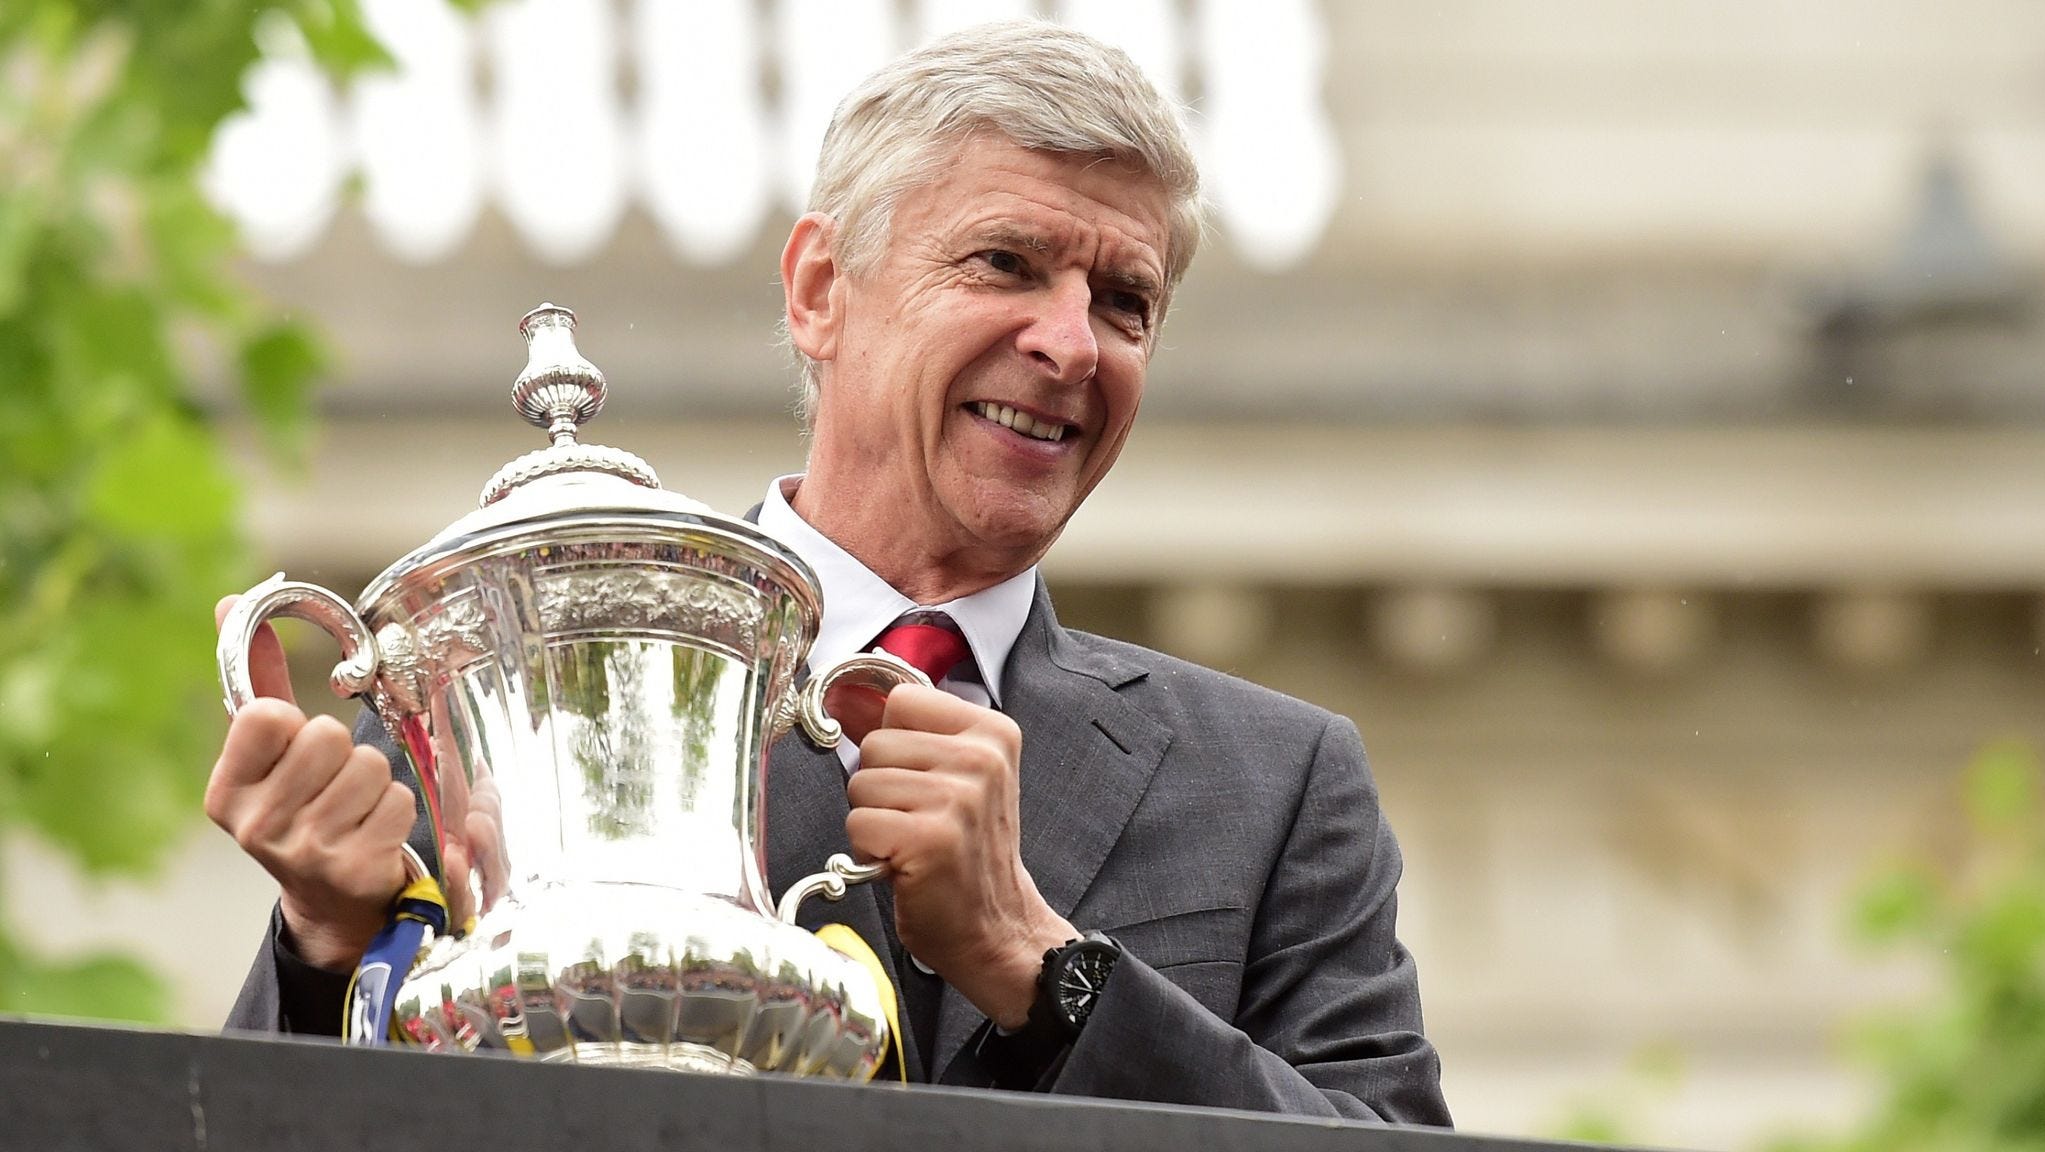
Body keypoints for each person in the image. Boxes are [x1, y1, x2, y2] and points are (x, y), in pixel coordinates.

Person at [208, 20, 1450, 1125]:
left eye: (1124, 301)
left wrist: (1040, 963)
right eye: (1005, 264)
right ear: (819, 291)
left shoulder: (1276, 783)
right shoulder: (516, 695)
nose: (1070, 344)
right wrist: (326, 947)